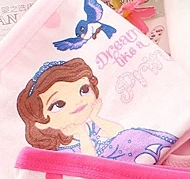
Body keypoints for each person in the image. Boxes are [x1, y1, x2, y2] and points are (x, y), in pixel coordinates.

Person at [16, 58, 176, 163]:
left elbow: (118, 131)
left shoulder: (91, 125)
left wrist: (96, 118)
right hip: (106, 173)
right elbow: (91, 167)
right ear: (40, 123)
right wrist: (82, 135)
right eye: (58, 104)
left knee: (131, 136)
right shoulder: (61, 151)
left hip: (131, 159)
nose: (78, 101)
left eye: (84, 90)